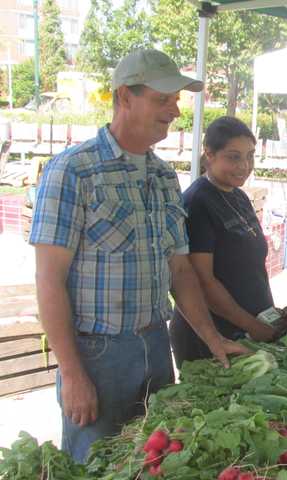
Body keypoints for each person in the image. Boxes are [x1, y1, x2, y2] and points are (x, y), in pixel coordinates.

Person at [29, 49, 249, 462]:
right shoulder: (73, 171)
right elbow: (48, 280)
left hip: (155, 344)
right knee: (93, 465)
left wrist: (212, 338)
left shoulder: (165, 177)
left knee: (151, 465)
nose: (174, 108)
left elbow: (180, 270)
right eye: (162, 97)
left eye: (177, 98)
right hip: (97, 356)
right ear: (124, 97)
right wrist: (73, 374)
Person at [169, 116, 276, 367]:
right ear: (209, 154)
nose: (244, 166)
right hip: (212, 337)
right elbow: (203, 282)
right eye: (234, 157)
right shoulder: (197, 203)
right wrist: (254, 326)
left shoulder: (238, 196)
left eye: (250, 156)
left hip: (248, 328)